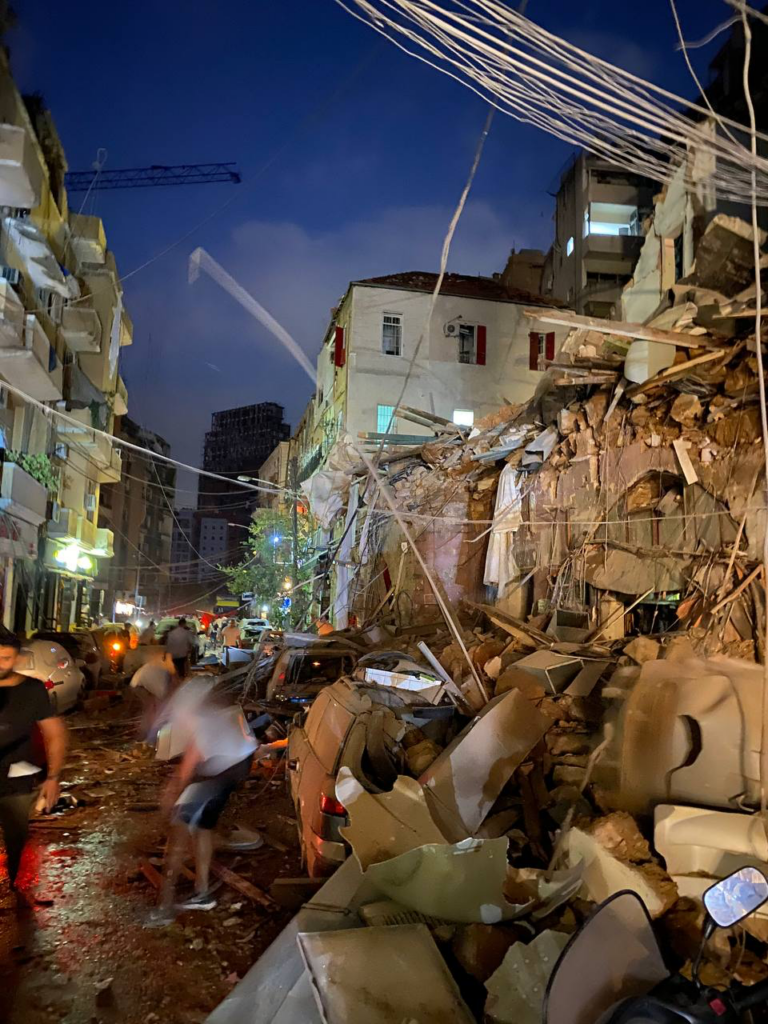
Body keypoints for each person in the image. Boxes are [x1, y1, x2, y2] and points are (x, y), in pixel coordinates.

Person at [149, 680, 276, 922]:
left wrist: (173, 791)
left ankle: (163, 907)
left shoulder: (180, 709)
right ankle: (202, 892)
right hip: (239, 761)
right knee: (202, 826)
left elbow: (192, 756)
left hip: (223, 766)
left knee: (179, 831)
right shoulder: (195, 699)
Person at [0, 635, 67, 899]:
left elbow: (55, 733)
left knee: (15, 835)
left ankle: (15, 885)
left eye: (5, 658)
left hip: (16, 777)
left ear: (16, 658)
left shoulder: (31, 690)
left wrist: (53, 777)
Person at [129, 653, 179, 740]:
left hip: (138, 683)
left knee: (151, 709)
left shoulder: (162, 668)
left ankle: (145, 731)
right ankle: (146, 733)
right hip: (140, 686)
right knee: (150, 709)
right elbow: (161, 697)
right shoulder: (163, 674)